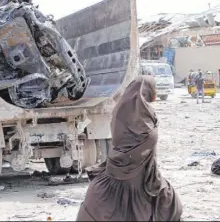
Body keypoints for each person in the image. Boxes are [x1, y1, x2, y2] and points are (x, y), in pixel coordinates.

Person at [76, 76, 183, 221]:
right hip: (142, 177)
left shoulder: (118, 111)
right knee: (168, 205)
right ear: (148, 92)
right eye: (154, 89)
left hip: (115, 171)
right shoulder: (147, 116)